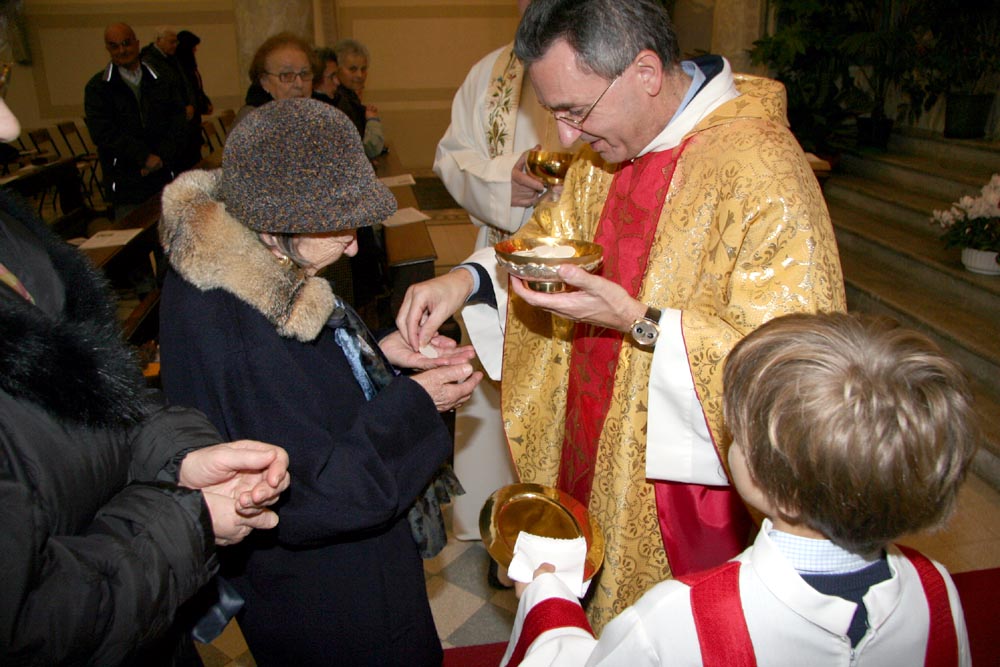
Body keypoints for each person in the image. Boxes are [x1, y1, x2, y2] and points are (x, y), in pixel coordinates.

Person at [397, 0, 846, 631]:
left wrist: (640, 320)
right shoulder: (604, 150)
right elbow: (548, 238)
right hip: (589, 440)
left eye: (574, 111)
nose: (564, 139)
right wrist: (464, 280)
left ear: (646, 73)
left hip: (683, 489)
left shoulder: (761, 168)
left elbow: (800, 365)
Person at [157, 98, 482, 666]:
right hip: (326, 591)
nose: (354, 244)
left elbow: (302, 382)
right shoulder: (234, 323)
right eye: (338, 225)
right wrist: (418, 401)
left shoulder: (244, 264)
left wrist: (377, 354)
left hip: (325, 570)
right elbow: (318, 491)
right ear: (274, 225)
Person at [501, 312, 977, 666]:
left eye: (737, 434)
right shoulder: (935, 590)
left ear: (771, 486)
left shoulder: (681, 615)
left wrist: (547, 596)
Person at [0, 89, 290, 666]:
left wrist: (177, 457)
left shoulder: (11, 234)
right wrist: (187, 522)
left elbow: (88, 400)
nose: (9, 125)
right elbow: (27, 624)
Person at [431, 0, 550, 557]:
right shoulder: (492, 73)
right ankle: (496, 516)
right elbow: (451, 157)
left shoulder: (612, 65)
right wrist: (508, 182)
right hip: (500, 258)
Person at [85, 22, 188, 219]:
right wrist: (143, 157)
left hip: (164, 176)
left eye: (126, 43)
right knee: (133, 233)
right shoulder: (98, 88)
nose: (122, 50)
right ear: (108, 49)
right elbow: (103, 133)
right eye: (114, 46)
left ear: (137, 43)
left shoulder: (162, 79)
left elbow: (178, 123)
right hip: (126, 184)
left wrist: (160, 157)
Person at [141, 26, 201, 171]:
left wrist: (192, 104)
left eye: (176, 42)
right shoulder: (149, 61)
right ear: (158, 41)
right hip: (168, 125)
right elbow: (162, 93)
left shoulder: (173, 59)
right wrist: (181, 109)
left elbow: (186, 84)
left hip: (183, 122)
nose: (175, 45)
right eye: (171, 42)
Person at [233, 32, 315, 127]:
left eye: (304, 73)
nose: (299, 84)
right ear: (264, 81)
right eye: (287, 75)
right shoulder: (252, 122)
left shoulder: (315, 115)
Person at [332, 38, 385, 159]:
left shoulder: (351, 99)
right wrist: (373, 121)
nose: (360, 75)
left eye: (363, 69)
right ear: (337, 69)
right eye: (353, 69)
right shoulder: (340, 102)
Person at [176, 30, 215, 168]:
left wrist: (206, 102)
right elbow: (189, 92)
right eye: (193, 47)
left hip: (195, 123)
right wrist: (201, 105)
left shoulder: (191, 66)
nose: (195, 50)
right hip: (187, 127)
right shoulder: (180, 68)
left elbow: (198, 89)